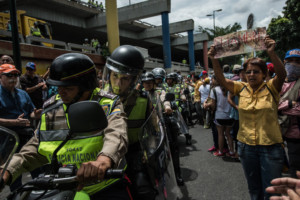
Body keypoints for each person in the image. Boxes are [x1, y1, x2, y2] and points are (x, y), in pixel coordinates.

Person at [0, 53, 131, 200]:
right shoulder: (51, 109)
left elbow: (116, 134)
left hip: (104, 185)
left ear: (85, 85)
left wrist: (104, 160)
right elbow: (34, 147)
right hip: (60, 187)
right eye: (58, 86)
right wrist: (7, 171)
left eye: (68, 87)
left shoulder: (107, 104)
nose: (61, 92)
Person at [208, 36, 287, 200]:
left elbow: (282, 73)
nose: (251, 75)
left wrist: (271, 53)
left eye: (256, 71)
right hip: (246, 148)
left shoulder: (272, 87)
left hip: (270, 148)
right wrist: (213, 59)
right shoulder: (240, 88)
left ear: (265, 74)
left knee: (272, 192)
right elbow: (221, 79)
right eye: (248, 72)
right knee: (254, 190)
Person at [0, 64, 42, 191]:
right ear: (1, 76)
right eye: (9, 75)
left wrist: (37, 114)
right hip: (8, 140)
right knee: (13, 175)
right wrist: (14, 122)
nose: (13, 78)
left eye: (15, 75)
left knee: (37, 172)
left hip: (27, 137)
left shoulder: (23, 94)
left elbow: (31, 113)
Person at [278, 49, 300, 178]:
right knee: (293, 168)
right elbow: (271, 106)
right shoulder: (279, 83)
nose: (294, 64)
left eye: (298, 61)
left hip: (296, 134)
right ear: (284, 62)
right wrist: (290, 104)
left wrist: (281, 107)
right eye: (290, 61)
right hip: (284, 132)